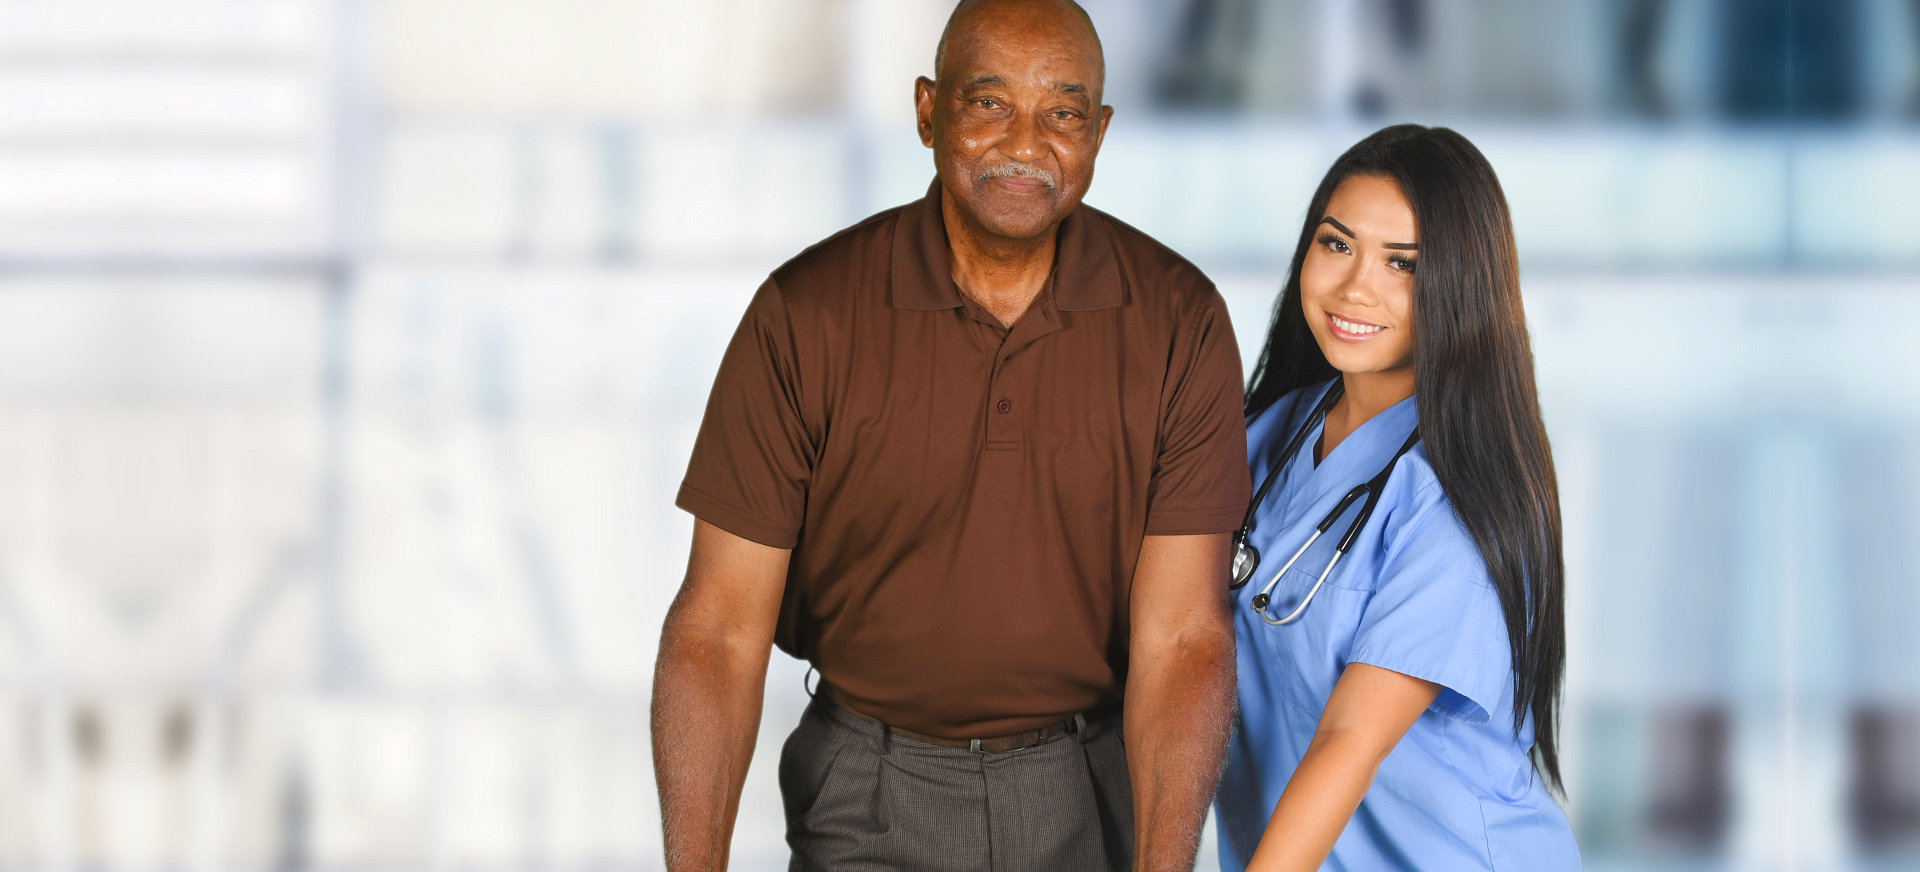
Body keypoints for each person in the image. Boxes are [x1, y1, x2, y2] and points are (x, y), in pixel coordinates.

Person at [652, 1, 1250, 870]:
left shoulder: (1178, 321)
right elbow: (717, 631)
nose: (1026, 143)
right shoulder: (806, 314)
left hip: (1088, 784)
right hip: (868, 790)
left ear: (1100, 132)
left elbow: (1185, 638)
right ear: (929, 111)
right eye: (989, 103)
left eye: (1064, 113)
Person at [1214, 124, 1581, 871]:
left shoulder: (1456, 499)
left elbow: (1351, 737)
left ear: (1460, 287)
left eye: (1403, 265)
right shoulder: (1271, 432)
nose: (1355, 288)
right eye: (1337, 244)